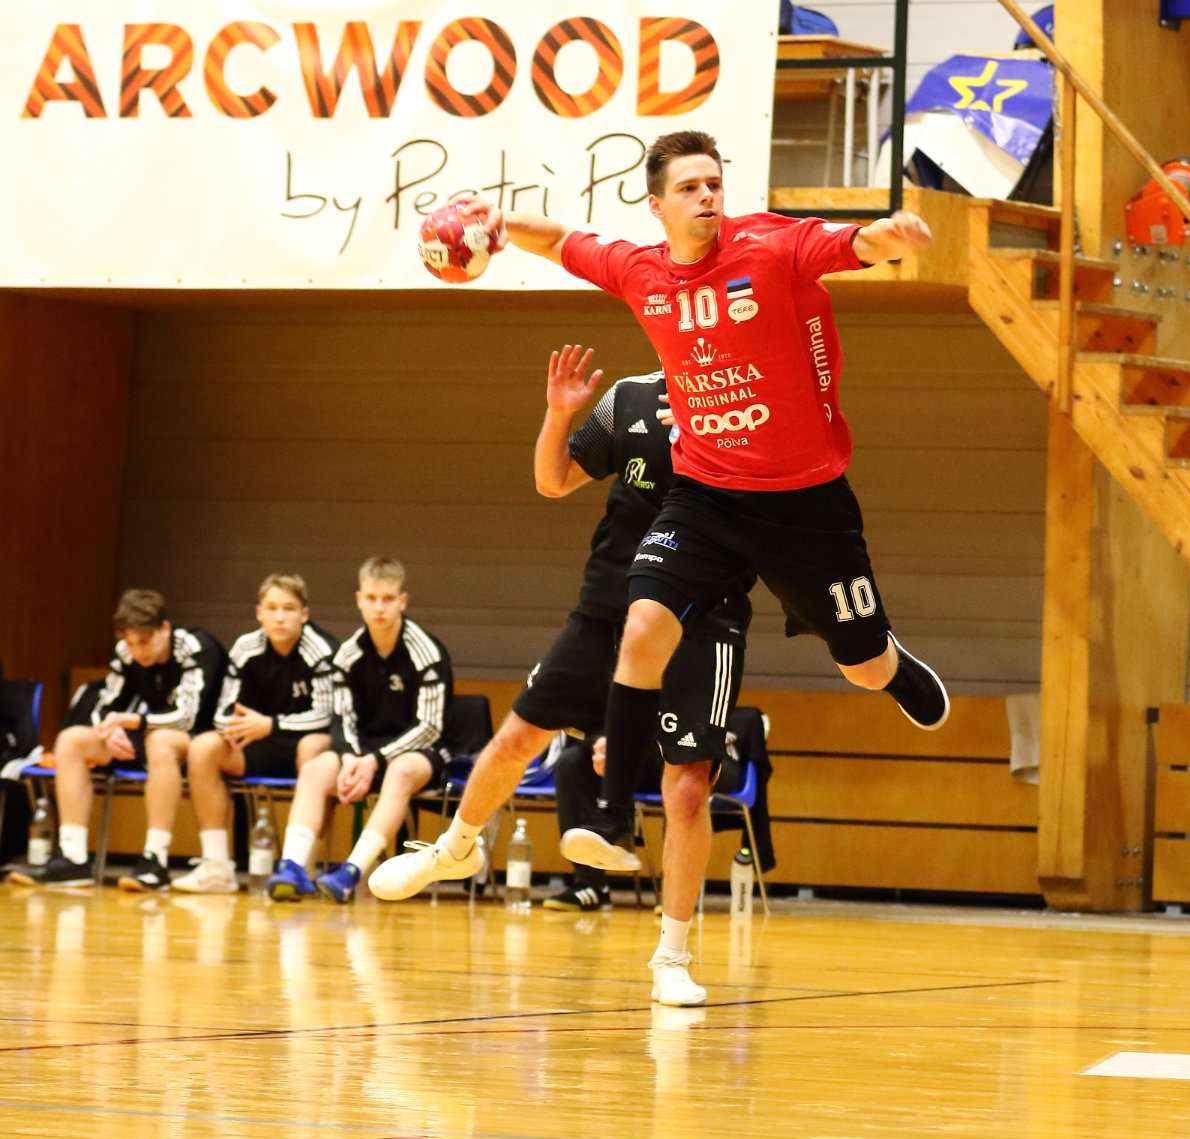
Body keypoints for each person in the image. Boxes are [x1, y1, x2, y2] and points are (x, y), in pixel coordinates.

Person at [412, 129, 947, 915]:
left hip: (805, 499)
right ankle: (609, 815)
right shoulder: (642, 272)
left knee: (861, 667)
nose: (707, 196)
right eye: (690, 187)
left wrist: (888, 236)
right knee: (642, 628)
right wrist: (496, 223)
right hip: (709, 493)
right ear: (657, 204)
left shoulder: (769, 246)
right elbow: (561, 240)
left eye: (713, 183)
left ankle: (890, 665)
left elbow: (849, 245)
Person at [373, 351, 754, 1006]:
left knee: (689, 787)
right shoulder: (629, 397)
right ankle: (455, 849)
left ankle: (671, 956)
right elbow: (552, 481)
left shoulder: (752, 408)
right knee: (518, 737)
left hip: (702, 620)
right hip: (606, 609)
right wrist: (557, 415)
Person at [266, 557, 452, 903]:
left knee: (400, 771)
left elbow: (429, 727)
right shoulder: (347, 655)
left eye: (387, 598)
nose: (379, 608)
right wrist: (352, 757)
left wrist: (374, 760)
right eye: (371, 598)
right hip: (363, 749)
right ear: (359, 600)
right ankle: (292, 867)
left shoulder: (427, 652)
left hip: (419, 751)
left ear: (402, 601)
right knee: (316, 768)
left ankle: (350, 873)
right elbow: (342, 719)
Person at [10, 590, 223, 889]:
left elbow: (187, 717)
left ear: (164, 629)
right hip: (146, 732)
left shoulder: (195, 647)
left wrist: (132, 722)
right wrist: (109, 732)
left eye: (144, 641)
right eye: (130, 643)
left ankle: (155, 859)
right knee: (71, 740)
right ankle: (72, 858)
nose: (137, 651)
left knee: (161, 741)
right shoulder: (126, 652)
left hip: (200, 739)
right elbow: (104, 705)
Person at [169, 573, 337, 894]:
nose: (279, 617)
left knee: (313, 748)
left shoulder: (323, 651)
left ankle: (304, 865)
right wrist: (234, 727)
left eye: (288, 608)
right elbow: (222, 711)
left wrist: (271, 724)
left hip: (305, 742)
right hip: (257, 743)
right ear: (259, 612)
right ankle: (216, 867)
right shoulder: (245, 648)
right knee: (203, 747)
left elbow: (327, 715)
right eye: (271, 608)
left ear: (304, 614)